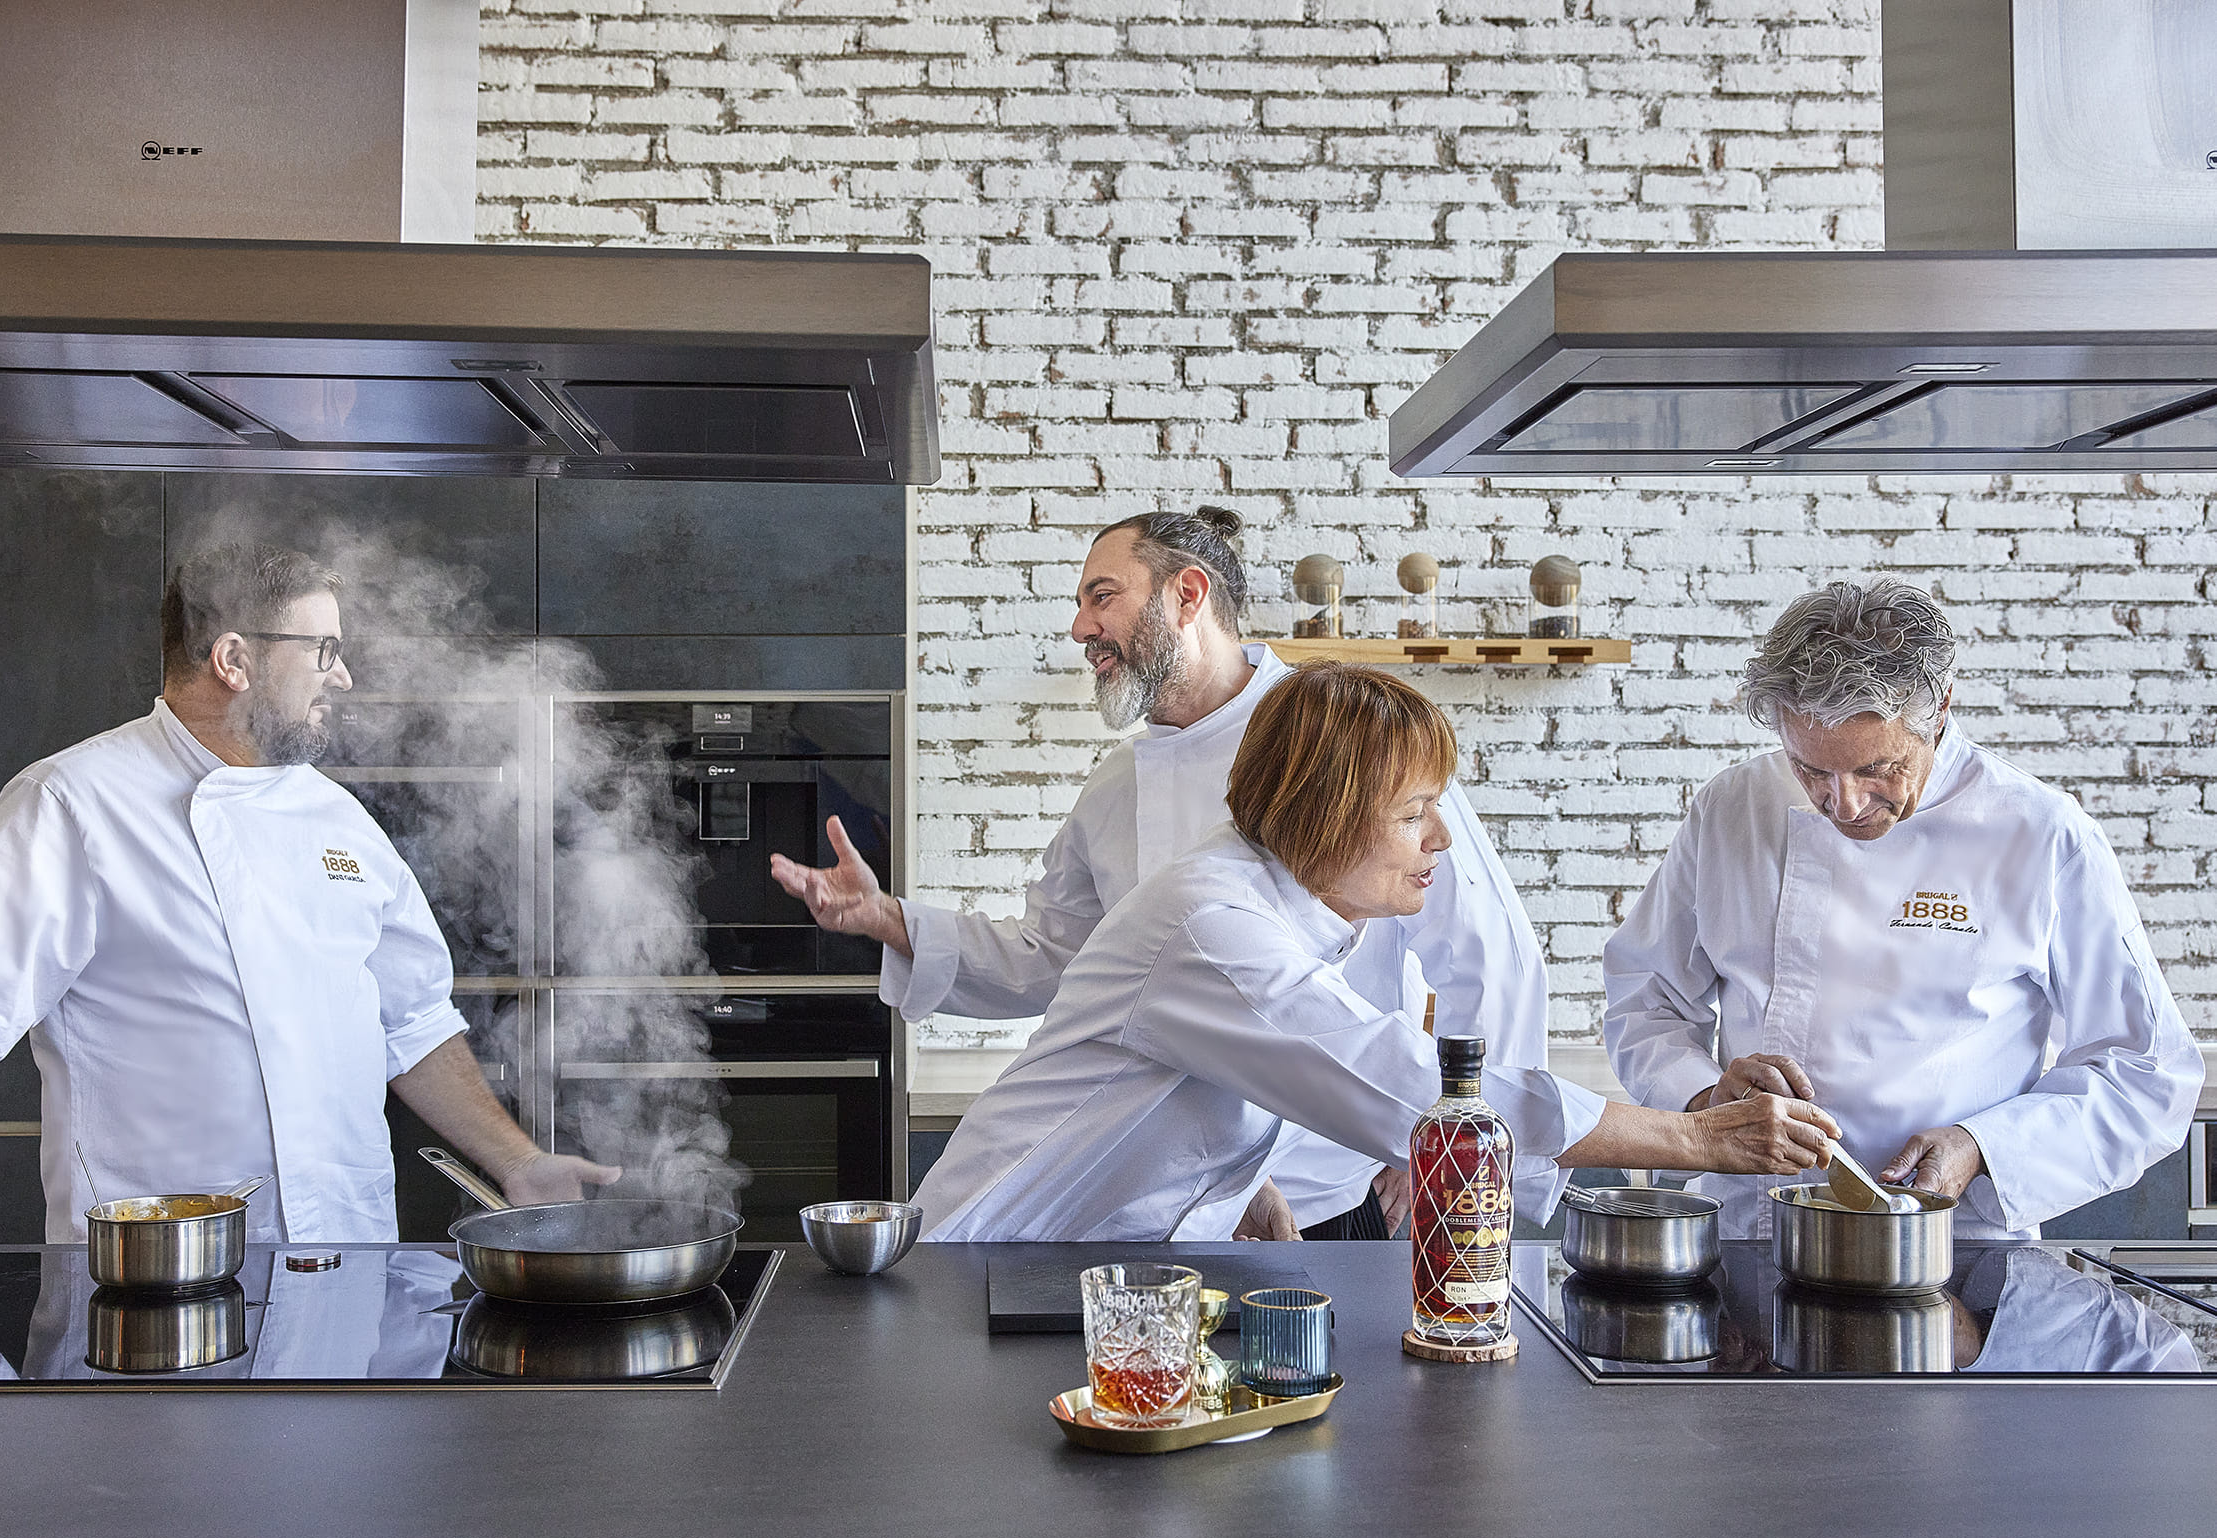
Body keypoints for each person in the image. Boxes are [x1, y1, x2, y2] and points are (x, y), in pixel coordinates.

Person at [772, 507, 1548, 1240]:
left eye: (1101, 597)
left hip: (1325, 1199)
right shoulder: (1116, 787)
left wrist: (1448, 1143)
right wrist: (890, 920)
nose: (1081, 628)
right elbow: (1056, 959)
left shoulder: (1344, 740)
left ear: (1188, 595)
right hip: (1156, 1211)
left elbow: (1486, 952)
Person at [0, 543, 614, 1264]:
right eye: (323, 651)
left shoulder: (339, 819)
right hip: (152, 1294)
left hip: (347, 1281)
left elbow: (411, 1021)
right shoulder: (74, 802)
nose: (342, 676)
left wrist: (520, 1163)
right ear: (234, 659)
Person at [910, 663, 1838, 1241]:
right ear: (1325, 815)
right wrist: (1694, 1137)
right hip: (982, 1261)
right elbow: (1404, 1085)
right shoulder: (1212, 926)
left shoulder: (1257, 902)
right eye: (1411, 813)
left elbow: (1197, 1083)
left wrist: (1233, 1184)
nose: (1439, 838)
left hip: (1060, 1266)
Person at [1603, 578, 2202, 1240]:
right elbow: (1645, 1000)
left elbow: (2146, 1072)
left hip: (1949, 1245)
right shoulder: (1731, 809)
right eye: (1811, 770)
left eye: (1877, 768)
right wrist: (1706, 1099)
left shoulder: (2040, 832)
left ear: (1940, 708)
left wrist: (1980, 1146)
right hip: (1754, 1229)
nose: (1846, 803)